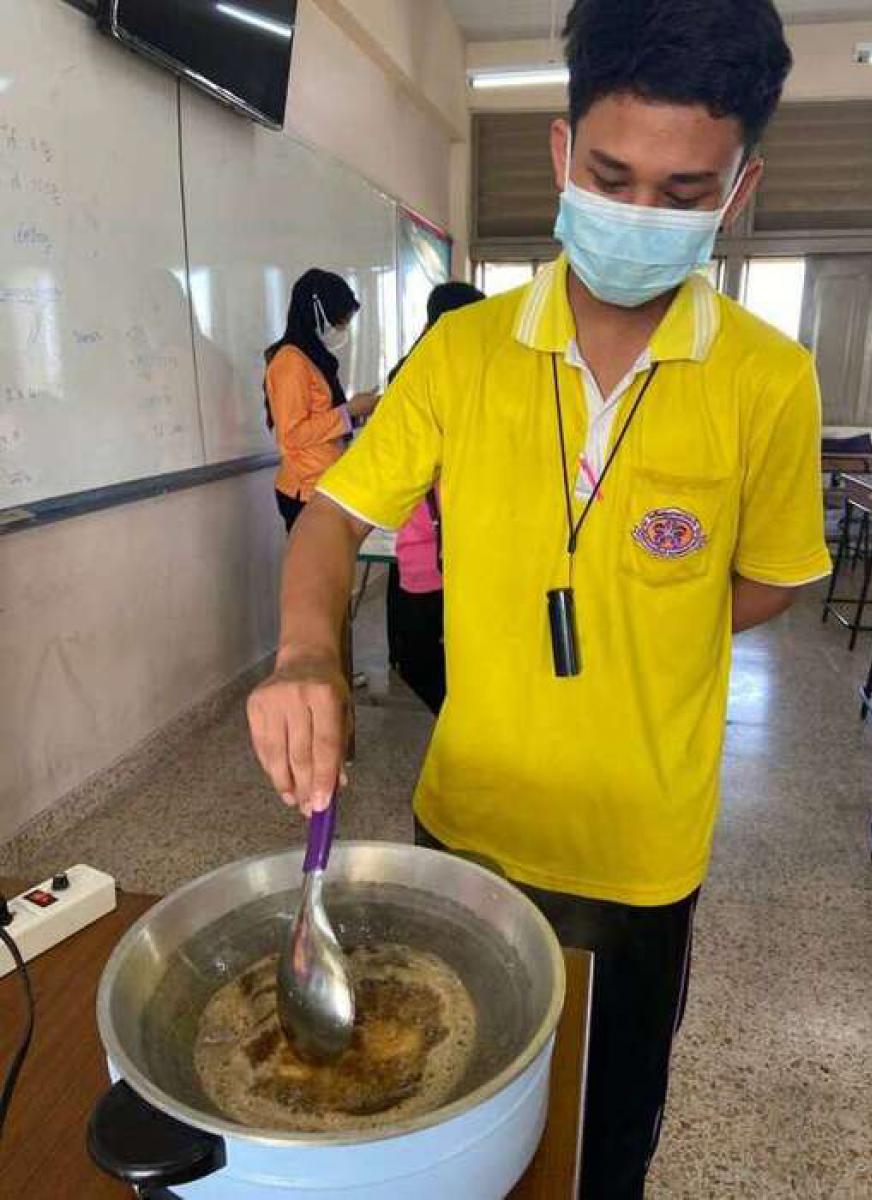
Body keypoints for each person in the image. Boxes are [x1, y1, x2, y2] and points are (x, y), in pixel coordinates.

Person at [246, 1, 832, 1195]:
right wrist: (306, 650)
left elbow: (770, 579)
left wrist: (650, 620)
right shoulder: (464, 356)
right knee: (446, 1114)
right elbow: (334, 516)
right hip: (467, 825)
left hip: (639, 854)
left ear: (739, 190)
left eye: (685, 192)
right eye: (613, 178)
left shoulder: (770, 379)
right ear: (563, 155)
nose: (642, 212)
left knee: (604, 1142)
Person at [386, 282, 485, 714]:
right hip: (443, 546)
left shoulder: (410, 370)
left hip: (433, 546)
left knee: (428, 658)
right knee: (441, 662)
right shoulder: (435, 377)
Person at [265, 269, 378, 534]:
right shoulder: (290, 362)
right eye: (339, 321)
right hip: (304, 490)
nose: (342, 329)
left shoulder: (313, 358)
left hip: (324, 485)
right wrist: (348, 412)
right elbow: (293, 435)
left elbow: (322, 419)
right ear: (317, 313)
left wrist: (357, 412)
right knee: (312, 562)